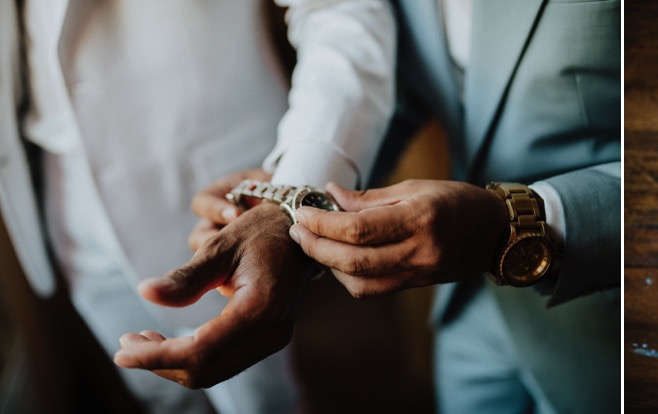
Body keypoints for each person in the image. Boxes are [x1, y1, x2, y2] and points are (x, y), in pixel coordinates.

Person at [116, 0, 620, 412]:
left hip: (615, 317)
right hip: (464, 313)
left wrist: (517, 223)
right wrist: (292, 192)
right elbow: (399, 78)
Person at [0, 0, 394, 412]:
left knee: (262, 400)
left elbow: (340, 9)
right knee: (160, 396)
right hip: (62, 196)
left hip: (217, 195)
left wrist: (298, 185)